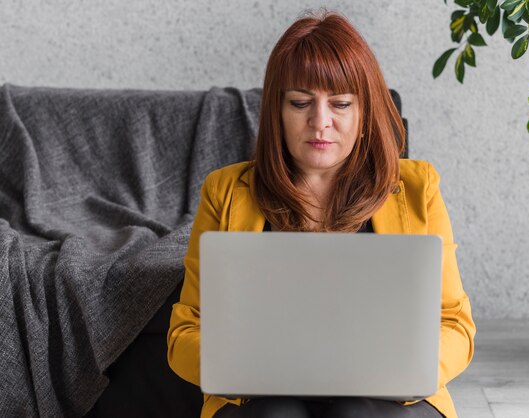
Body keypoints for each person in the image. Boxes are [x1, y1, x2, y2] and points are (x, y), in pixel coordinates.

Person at [167, 10, 475, 418]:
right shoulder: (224, 191)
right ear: (276, 110)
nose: (320, 123)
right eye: (300, 103)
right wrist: (244, 368)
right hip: (259, 396)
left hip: (387, 399)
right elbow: (186, 329)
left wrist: (401, 373)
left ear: (364, 111)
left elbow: (455, 324)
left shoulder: (418, 188)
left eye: (341, 103)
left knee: (355, 412)